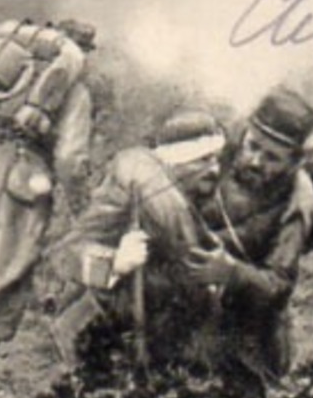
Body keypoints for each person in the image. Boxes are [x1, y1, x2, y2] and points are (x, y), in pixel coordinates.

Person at [0, 18, 97, 389]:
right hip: (21, 180)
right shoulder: (74, 92)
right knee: (15, 267)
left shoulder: (11, 77)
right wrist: (85, 210)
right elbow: (71, 160)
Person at [46, 107, 229, 369]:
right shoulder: (130, 192)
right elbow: (66, 254)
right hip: (111, 327)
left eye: (216, 159)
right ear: (175, 161)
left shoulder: (198, 196)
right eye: (202, 160)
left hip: (173, 327)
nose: (214, 170)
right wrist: (116, 263)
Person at [204, 87, 313, 392]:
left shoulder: (299, 200)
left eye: (273, 158)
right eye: (253, 147)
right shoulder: (216, 152)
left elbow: (279, 286)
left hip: (245, 325)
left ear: (294, 162)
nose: (257, 162)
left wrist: (231, 273)